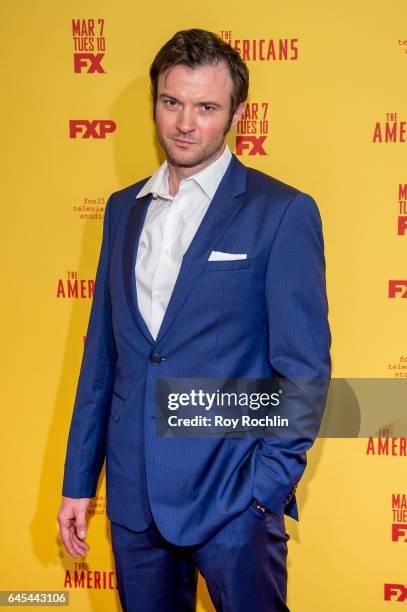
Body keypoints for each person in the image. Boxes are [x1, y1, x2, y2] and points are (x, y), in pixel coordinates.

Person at [58, 28, 331, 612]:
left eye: (206, 107)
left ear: (236, 114)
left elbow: (303, 371)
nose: (185, 123)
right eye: (171, 102)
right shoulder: (120, 210)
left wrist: (264, 492)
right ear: (155, 102)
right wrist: (80, 483)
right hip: (133, 503)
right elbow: (102, 360)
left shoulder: (281, 212)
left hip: (232, 499)